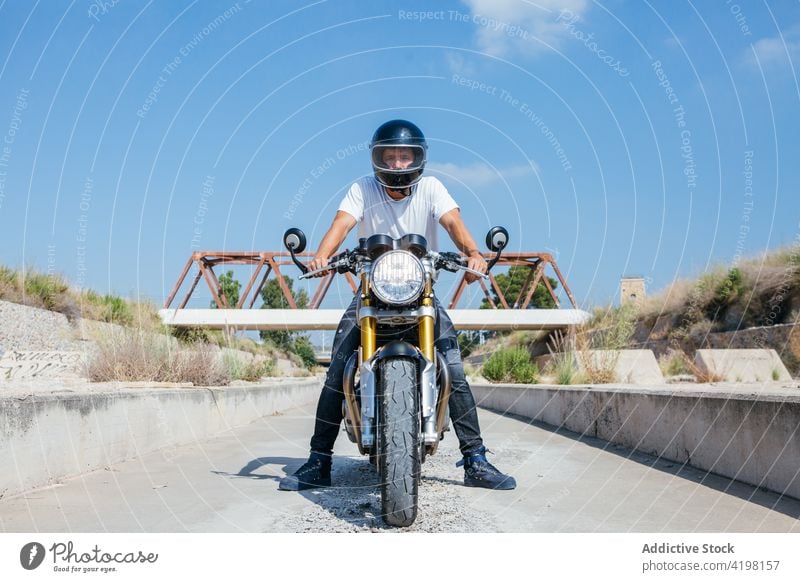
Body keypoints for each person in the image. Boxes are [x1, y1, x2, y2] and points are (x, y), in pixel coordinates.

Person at [279, 119, 516, 492]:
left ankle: (476, 460)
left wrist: (473, 254)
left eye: (406, 157)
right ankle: (318, 460)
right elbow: (341, 224)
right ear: (378, 159)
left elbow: (453, 222)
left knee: (453, 368)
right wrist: (321, 257)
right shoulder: (362, 188)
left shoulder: (432, 188)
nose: (398, 164)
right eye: (390, 156)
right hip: (371, 292)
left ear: (418, 159)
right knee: (337, 368)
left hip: (420, 292)